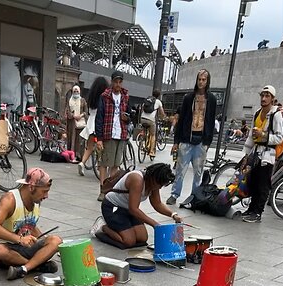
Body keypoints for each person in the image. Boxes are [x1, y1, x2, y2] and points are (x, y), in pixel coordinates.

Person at [0, 168, 63, 280]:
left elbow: (31, 224)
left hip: (26, 247)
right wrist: (19, 239)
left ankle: (24, 268)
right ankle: (36, 265)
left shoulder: (36, 200)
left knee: (56, 241)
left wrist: (43, 241)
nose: (46, 196)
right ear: (31, 187)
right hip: (9, 248)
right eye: (44, 191)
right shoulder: (10, 199)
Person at [92, 162, 181, 249]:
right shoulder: (137, 179)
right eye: (159, 185)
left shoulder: (154, 183)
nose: (160, 187)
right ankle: (103, 227)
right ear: (154, 178)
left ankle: (118, 226)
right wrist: (154, 224)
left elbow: (157, 204)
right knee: (128, 241)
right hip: (113, 207)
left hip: (127, 209)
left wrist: (173, 215)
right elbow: (133, 209)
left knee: (142, 238)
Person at [167, 69, 217, 206]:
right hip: (186, 139)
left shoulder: (211, 99)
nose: (201, 82)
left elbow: (211, 120)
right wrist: (177, 141)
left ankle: (194, 196)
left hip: (201, 140)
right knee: (180, 170)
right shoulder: (189, 98)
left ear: (207, 81)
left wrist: (208, 141)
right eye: (199, 79)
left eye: (204, 79)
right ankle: (174, 194)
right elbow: (182, 119)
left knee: (198, 172)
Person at [240, 85, 283, 223]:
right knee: (253, 181)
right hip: (256, 153)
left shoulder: (276, 115)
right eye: (262, 95)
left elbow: (279, 138)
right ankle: (251, 209)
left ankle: (258, 212)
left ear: (272, 99)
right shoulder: (258, 113)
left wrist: (263, 135)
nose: (264, 98)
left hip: (268, 154)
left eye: (267, 96)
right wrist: (246, 155)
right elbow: (250, 137)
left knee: (263, 184)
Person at [92, 71, 132, 202]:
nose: (118, 84)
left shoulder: (126, 97)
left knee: (115, 164)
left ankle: (111, 190)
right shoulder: (105, 96)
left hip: (120, 134)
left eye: (120, 82)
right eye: (116, 81)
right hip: (107, 133)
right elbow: (99, 118)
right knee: (104, 163)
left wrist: (127, 118)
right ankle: (103, 190)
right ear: (112, 82)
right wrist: (99, 138)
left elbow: (130, 115)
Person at [76, 76, 109, 177]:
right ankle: (100, 166)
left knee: (89, 147)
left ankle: (82, 163)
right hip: (100, 122)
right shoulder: (104, 97)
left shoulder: (91, 96)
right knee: (101, 146)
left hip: (91, 122)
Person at [139, 89, 166, 158]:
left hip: (142, 118)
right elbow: (162, 113)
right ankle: (151, 151)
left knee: (144, 129)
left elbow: (142, 109)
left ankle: (142, 141)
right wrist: (164, 117)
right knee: (153, 135)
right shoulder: (158, 102)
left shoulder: (147, 99)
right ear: (159, 95)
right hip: (151, 120)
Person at [64, 84, 87, 154]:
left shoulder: (82, 100)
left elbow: (86, 111)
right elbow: (67, 110)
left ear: (79, 92)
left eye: (77, 91)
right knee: (71, 138)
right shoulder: (69, 100)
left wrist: (80, 115)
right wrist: (72, 116)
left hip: (80, 123)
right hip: (71, 123)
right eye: (74, 91)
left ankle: (79, 155)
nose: (76, 92)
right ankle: (71, 154)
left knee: (79, 140)